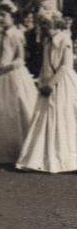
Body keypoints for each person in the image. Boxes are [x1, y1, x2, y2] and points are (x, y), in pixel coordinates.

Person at [16, 13, 77, 173]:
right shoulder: (47, 41)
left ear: (56, 24)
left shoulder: (64, 39)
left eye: (47, 24)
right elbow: (45, 65)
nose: (44, 28)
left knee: (64, 117)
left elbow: (66, 66)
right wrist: (43, 82)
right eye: (42, 25)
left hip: (61, 82)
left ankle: (67, 159)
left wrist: (52, 83)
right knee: (45, 117)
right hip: (47, 81)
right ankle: (40, 157)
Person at [0, 7, 37, 164]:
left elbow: (20, 59)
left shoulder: (16, 34)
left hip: (11, 76)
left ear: (12, 17)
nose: (0, 18)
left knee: (15, 110)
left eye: (4, 15)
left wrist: (2, 70)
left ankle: (16, 151)